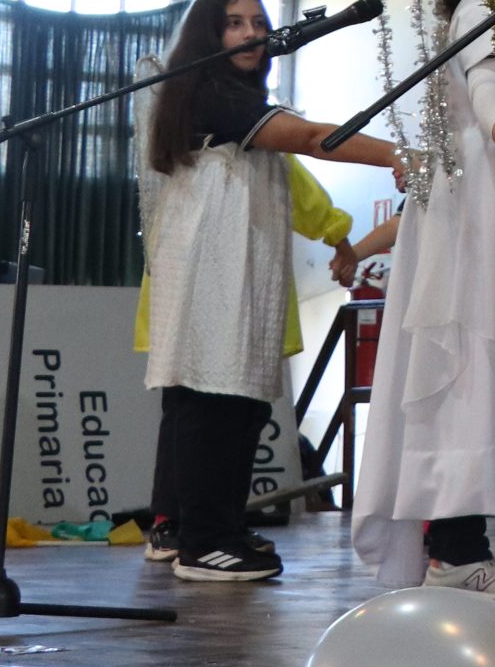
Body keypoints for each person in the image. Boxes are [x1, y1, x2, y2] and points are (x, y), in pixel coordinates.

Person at [137, 0, 404, 581]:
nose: (252, 34)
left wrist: (338, 232)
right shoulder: (212, 94)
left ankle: (222, 529)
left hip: (239, 261)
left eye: (259, 22)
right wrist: (398, 154)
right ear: (208, 35)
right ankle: (202, 543)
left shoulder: (236, 99)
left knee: (240, 404)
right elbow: (311, 138)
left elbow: (300, 177)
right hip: (213, 264)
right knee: (213, 398)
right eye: (235, 23)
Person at [351, 0, 495, 600]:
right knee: (465, 361)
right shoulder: (484, 3)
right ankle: (457, 551)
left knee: (487, 364)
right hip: (475, 206)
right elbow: (486, 77)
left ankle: (461, 546)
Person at [138, 154, 360, 567]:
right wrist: (338, 236)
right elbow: (298, 182)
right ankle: (198, 532)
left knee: (213, 414)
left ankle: (206, 527)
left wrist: (339, 235)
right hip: (219, 295)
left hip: (198, 294)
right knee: (218, 417)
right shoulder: (235, 134)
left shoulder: (186, 141)